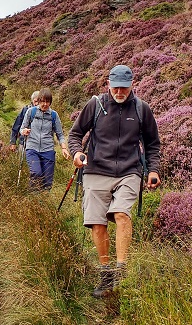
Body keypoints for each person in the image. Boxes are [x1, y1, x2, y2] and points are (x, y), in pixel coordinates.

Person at [67, 64, 161, 298]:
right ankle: (106, 272)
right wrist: (78, 153)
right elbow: (75, 134)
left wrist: (153, 170)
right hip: (96, 170)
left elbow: (152, 144)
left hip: (129, 171)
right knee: (97, 222)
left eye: (124, 88)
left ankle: (121, 272)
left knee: (121, 214)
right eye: (116, 88)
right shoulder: (95, 105)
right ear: (108, 84)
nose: (120, 92)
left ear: (132, 86)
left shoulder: (141, 109)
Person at [20, 88, 71, 192]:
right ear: (38, 101)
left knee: (47, 182)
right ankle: (32, 198)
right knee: (36, 173)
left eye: (47, 101)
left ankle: (43, 200)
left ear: (50, 102)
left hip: (48, 150)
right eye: (42, 101)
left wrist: (64, 148)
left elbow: (60, 134)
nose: (45, 104)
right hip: (32, 148)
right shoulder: (31, 112)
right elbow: (22, 128)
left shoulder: (54, 115)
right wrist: (24, 131)